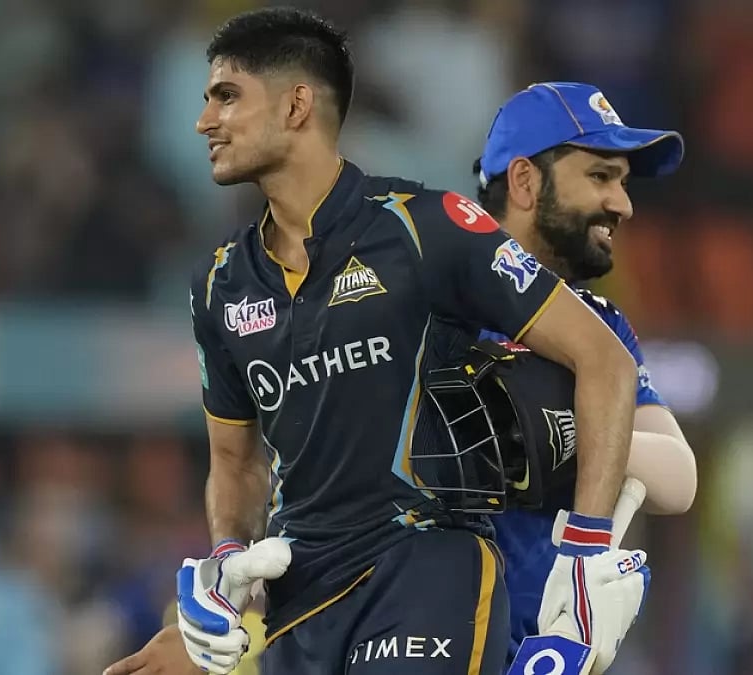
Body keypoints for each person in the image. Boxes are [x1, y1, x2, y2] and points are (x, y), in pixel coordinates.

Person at [108, 8, 646, 675]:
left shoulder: (428, 227)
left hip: (423, 572)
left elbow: (605, 360)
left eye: (226, 97)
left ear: (297, 105)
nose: (204, 121)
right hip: (298, 606)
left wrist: (586, 555)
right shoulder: (219, 283)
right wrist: (225, 561)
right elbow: (236, 462)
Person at [465, 82, 698, 671]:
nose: (623, 204)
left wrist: (555, 431)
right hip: (430, 641)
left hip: (548, 649)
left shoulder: (600, 324)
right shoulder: (439, 304)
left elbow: (678, 477)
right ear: (524, 182)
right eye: (600, 177)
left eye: (622, 181)